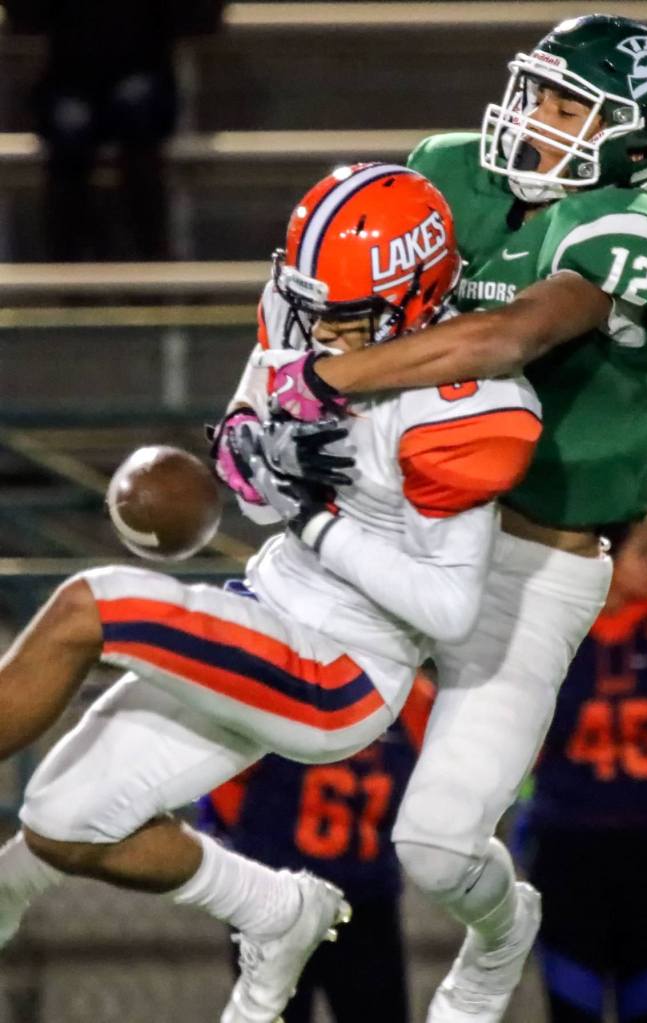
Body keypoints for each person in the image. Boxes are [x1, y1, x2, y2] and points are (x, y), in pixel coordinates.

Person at [0, 164, 542, 1023]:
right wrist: (249, 454)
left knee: (93, 604)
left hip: (343, 671)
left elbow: (448, 611)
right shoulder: (305, 312)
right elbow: (250, 480)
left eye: (344, 310)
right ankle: (276, 910)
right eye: (308, 299)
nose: (317, 325)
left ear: (412, 298)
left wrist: (316, 520)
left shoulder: (462, 401)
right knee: (60, 822)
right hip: (267, 607)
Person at [252, 14, 647, 1022]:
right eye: (533, 92)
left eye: (566, 106)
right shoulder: (448, 171)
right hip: (409, 523)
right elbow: (312, 276)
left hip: (535, 567)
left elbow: (506, 338)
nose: (533, 118)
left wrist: (316, 383)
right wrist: (262, 393)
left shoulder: (635, 227)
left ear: (634, 138)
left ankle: (502, 936)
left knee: (437, 844)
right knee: (233, 702)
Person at [516, 509, 647, 1023]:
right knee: (572, 1005)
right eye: (645, 553)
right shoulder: (555, 630)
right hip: (569, 842)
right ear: (603, 556)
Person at [198, 675, 434, 1023]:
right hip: (351, 898)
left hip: (283, 895)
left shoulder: (283, 678)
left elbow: (224, 784)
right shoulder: (411, 694)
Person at [5, 1, 223, 261]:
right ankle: (67, 269)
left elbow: (201, 18)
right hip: (71, 79)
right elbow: (25, 17)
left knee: (138, 115)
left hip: (143, 72)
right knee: (69, 133)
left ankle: (150, 261)